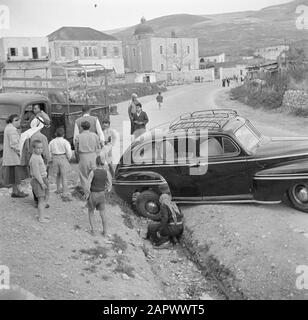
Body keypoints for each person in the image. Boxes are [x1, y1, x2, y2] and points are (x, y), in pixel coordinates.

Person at [2, 114, 28, 198]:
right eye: (17, 120)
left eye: (19, 120)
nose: (18, 122)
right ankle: (18, 192)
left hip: (10, 157)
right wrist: (20, 152)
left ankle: (14, 191)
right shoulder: (12, 130)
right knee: (17, 176)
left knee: (13, 176)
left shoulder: (8, 128)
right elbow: (14, 144)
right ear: (12, 121)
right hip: (13, 156)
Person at [85, 155, 112, 236]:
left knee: (90, 212)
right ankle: (105, 232)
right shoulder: (106, 172)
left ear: (96, 163)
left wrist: (87, 194)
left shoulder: (93, 172)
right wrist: (107, 189)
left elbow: (88, 184)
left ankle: (93, 231)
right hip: (101, 194)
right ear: (103, 163)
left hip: (93, 194)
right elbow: (110, 184)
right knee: (103, 214)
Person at [75, 121, 101, 193]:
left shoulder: (78, 136)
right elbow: (98, 147)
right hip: (93, 156)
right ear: (90, 127)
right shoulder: (95, 135)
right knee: (94, 174)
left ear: (81, 127)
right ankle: (95, 189)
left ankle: (86, 192)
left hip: (83, 157)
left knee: (84, 175)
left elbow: (76, 150)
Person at [48, 127, 72, 199]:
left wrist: (51, 158)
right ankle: (65, 192)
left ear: (55, 134)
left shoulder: (52, 142)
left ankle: (58, 189)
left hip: (55, 157)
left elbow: (49, 151)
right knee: (64, 176)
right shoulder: (65, 142)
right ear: (63, 134)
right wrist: (68, 158)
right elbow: (69, 151)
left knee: (58, 174)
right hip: (63, 157)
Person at [29, 140, 50, 223]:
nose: (40, 150)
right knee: (41, 200)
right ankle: (41, 218)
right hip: (38, 180)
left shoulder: (38, 156)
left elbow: (40, 168)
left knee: (46, 196)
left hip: (43, 178)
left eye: (41, 148)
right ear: (33, 148)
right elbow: (36, 173)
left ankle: (42, 214)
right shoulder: (34, 158)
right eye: (38, 148)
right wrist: (42, 183)